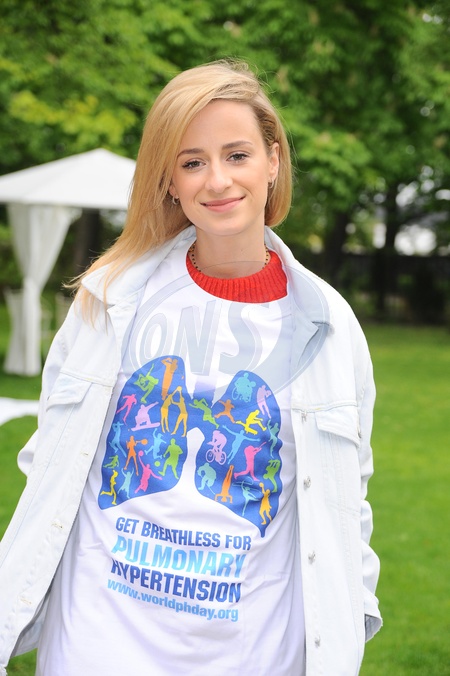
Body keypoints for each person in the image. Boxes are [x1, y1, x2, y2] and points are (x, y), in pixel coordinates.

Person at [0, 59, 382, 675]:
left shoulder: (330, 327)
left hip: (253, 653)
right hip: (99, 645)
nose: (218, 180)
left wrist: (350, 618)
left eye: (237, 155)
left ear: (273, 161)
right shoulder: (108, 298)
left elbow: (347, 499)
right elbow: (50, 456)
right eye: (192, 162)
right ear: (170, 181)